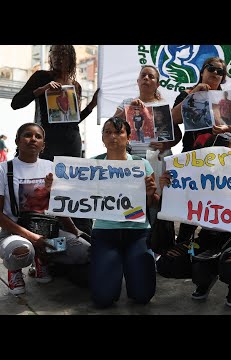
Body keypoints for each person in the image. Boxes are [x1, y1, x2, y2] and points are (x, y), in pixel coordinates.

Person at [0, 123, 90, 295]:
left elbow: (59, 206)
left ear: (43, 145)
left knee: (83, 250)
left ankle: (41, 260)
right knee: (22, 250)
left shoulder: (50, 166)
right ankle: (15, 270)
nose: (33, 139)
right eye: (27, 135)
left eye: (38, 137)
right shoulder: (2, 169)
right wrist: (34, 238)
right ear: (17, 141)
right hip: (14, 233)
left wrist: (74, 230)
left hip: (48, 233)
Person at [11, 45, 99, 236]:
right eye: (55, 54)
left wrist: (91, 106)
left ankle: (76, 234)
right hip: (47, 143)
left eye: (64, 54)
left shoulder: (75, 86)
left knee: (70, 190)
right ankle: (41, 234)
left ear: (72, 58)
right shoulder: (42, 77)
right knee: (44, 190)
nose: (59, 57)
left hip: (72, 142)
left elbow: (73, 119)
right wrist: (41, 90)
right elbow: (16, 103)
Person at [159, 133, 231, 307]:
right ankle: (204, 279)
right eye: (222, 152)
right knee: (168, 262)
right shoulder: (197, 179)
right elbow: (177, 205)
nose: (228, 157)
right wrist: (167, 188)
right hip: (206, 239)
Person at [171, 57, 231, 244]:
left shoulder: (227, 99)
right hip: (193, 158)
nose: (216, 73)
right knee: (193, 202)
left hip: (221, 163)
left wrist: (227, 129)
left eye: (221, 71)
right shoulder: (187, 93)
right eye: (212, 68)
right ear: (202, 71)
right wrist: (194, 94)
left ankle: (216, 245)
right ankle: (184, 245)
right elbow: (173, 118)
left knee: (217, 203)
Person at [90, 117, 159, 308]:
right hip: (104, 233)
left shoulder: (142, 164)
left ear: (128, 137)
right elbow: (75, 195)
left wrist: (150, 193)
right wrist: (53, 187)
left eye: (119, 132)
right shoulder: (91, 165)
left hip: (137, 232)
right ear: (102, 138)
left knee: (143, 296)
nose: (113, 136)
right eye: (108, 132)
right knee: (102, 299)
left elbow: (152, 204)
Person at [113, 65, 182, 226]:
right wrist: (129, 110)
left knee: (156, 203)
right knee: (133, 203)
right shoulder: (127, 103)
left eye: (151, 77)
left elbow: (177, 135)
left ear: (157, 84)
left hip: (156, 161)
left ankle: (157, 242)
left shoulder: (163, 107)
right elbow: (113, 125)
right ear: (137, 81)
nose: (146, 78)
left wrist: (165, 145)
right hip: (132, 161)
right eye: (143, 75)